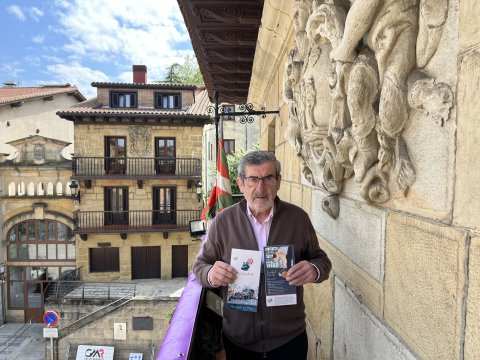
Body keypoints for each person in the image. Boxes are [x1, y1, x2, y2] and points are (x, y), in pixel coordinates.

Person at [193, 150, 331, 360]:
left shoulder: (298, 219)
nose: (260, 188)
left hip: (289, 339)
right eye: (253, 179)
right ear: (240, 184)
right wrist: (211, 273)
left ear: (278, 181)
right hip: (239, 341)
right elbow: (200, 266)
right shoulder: (223, 222)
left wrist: (314, 270)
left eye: (268, 178)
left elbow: (322, 261)